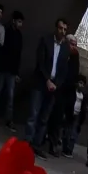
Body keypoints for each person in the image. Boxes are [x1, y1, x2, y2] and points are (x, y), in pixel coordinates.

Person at [25, 17, 70, 152]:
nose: (62, 31)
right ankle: (27, 143)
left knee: (44, 117)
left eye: (65, 29)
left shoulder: (66, 48)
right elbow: (40, 62)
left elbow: (64, 69)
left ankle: (36, 144)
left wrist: (56, 84)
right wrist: (47, 80)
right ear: (56, 28)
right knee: (33, 114)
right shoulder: (46, 40)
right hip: (41, 82)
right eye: (60, 28)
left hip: (53, 87)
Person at [0, 10, 24, 128]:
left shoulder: (19, 36)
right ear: (13, 21)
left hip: (11, 70)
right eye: (19, 21)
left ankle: (8, 119)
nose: (20, 24)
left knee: (10, 96)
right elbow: (1, 49)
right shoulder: (5, 31)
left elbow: (18, 55)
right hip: (3, 67)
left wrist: (17, 72)